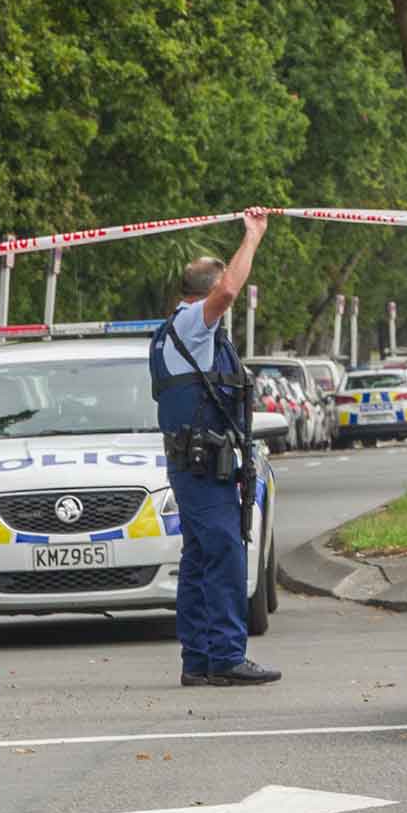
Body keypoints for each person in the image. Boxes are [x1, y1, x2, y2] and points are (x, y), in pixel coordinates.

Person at [150, 206, 280, 687]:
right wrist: (252, 237)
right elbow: (228, 291)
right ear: (205, 292)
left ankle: (200, 658)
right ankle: (225, 655)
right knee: (224, 552)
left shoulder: (177, 331)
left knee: (202, 557)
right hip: (202, 464)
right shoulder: (191, 325)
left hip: (201, 462)